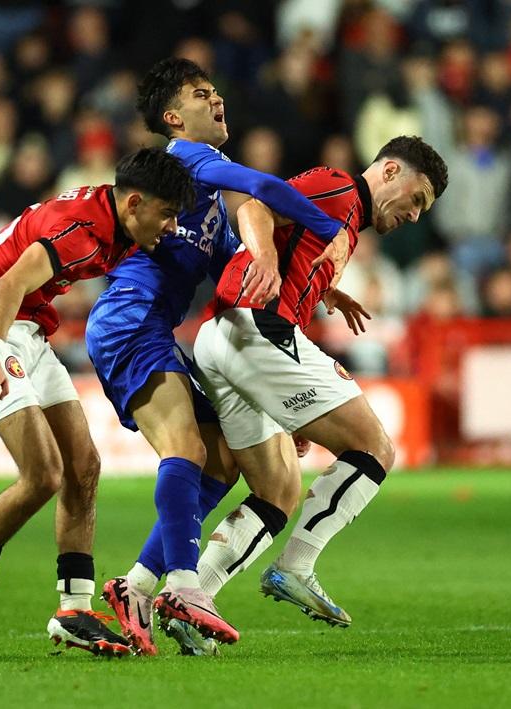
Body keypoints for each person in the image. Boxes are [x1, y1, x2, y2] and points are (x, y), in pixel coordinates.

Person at [87, 57, 350, 656]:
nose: (217, 99)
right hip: (129, 318)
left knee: (223, 461)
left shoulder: (200, 194)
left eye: (216, 90)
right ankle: (184, 585)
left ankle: (137, 586)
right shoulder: (189, 159)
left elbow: (236, 264)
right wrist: (327, 229)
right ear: (174, 118)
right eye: (201, 94)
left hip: (153, 327)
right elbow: (264, 188)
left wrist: (312, 285)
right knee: (187, 449)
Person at [0, 147, 194, 657]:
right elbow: (9, 282)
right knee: (44, 473)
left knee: (83, 467)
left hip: (26, 329)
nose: (171, 225)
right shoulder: (81, 230)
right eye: (167, 213)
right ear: (134, 203)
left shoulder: (120, 222)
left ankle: (74, 609)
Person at [191, 135, 447, 628]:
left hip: (223, 336)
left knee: (277, 490)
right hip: (255, 328)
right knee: (374, 447)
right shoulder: (338, 188)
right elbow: (256, 205)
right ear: (390, 172)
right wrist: (265, 257)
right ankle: (296, 566)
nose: (415, 215)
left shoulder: (346, 224)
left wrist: (325, 289)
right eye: (416, 199)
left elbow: (293, 249)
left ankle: (191, 597)